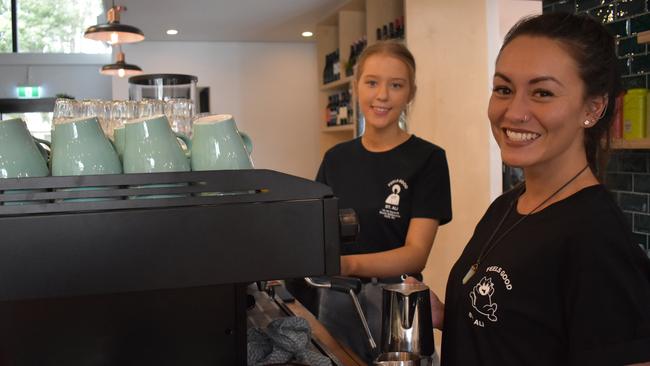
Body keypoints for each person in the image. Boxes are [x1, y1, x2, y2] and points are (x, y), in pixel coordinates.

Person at [425, 12, 650, 366]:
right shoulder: (509, 205)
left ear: (593, 107)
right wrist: (447, 315)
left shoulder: (597, 239)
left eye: (542, 93)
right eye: (503, 89)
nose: (514, 112)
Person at [310, 41, 453, 363]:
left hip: (399, 303)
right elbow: (317, 231)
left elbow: (416, 252)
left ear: (411, 92)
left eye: (396, 85)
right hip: (335, 300)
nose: (382, 96)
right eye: (372, 82)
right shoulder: (336, 158)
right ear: (356, 85)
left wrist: (348, 264)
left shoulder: (428, 159)